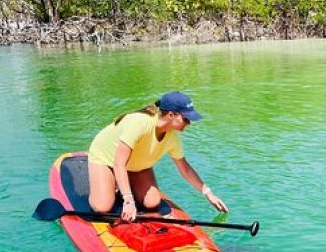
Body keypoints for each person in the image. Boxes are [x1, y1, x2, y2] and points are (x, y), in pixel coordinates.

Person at [87, 91, 229, 222]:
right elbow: (119, 163)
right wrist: (128, 201)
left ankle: (121, 183)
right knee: (102, 207)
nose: (189, 123)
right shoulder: (139, 123)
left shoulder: (172, 137)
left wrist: (207, 192)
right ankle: (111, 181)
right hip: (106, 159)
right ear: (171, 115)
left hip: (135, 165)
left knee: (152, 203)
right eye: (186, 119)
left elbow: (184, 168)